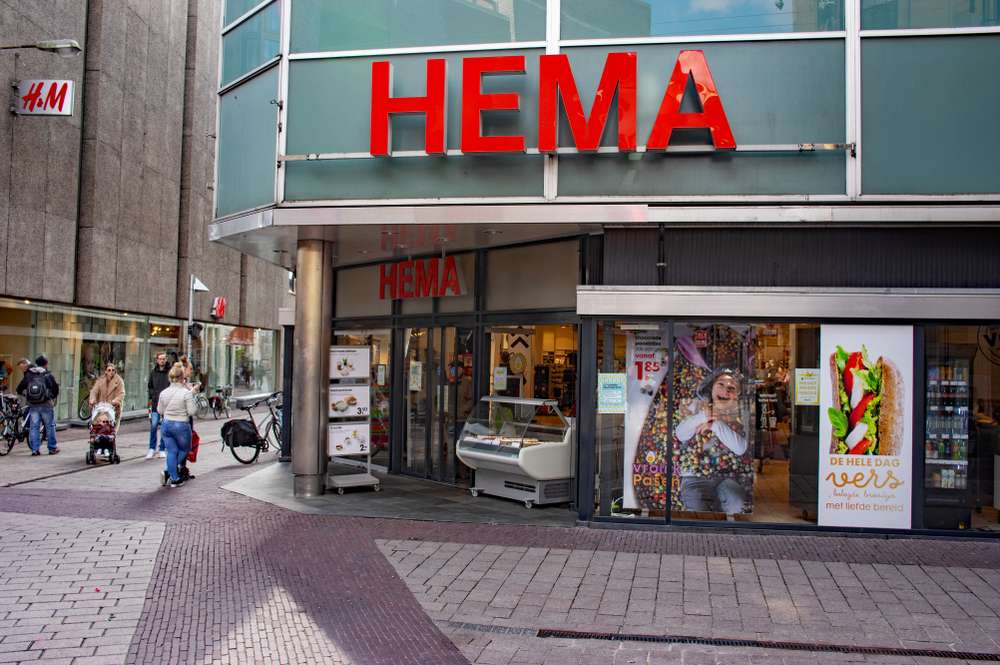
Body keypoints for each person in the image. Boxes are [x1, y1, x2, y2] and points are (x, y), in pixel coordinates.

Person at [674, 368, 750, 515]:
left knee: (737, 503)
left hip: (726, 476)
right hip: (694, 476)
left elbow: (740, 448)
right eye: (721, 384)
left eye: (731, 388)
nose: (725, 390)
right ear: (711, 387)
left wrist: (714, 424)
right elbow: (681, 434)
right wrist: (704, 415)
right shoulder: (694, 406)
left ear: (737, 395)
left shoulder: (741, 414)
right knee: (697, 509)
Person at [157, 363, 197, 488]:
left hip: (166, 425)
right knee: (184, 450)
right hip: (181, 425)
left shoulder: (163, 393)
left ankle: (174, 478)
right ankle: (169, 472)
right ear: (182, 378)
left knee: (171, 451)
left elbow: (160, 411)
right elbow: (192, 411)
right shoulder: (186, 393)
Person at [16, 355, 60, 456]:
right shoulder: (47, 374)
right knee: (50, 426)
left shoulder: (29, 374)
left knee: (34, 427)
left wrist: (26, 395)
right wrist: (50, 397)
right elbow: (55, 389)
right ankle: (52, 448)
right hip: (46, 404)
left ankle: (35, 449)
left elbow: (19, 388)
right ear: (46, 364)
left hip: (33, 405)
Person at [146, 353, 170, 459]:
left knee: (164, 426)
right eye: (160, 359)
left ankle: (162, 449)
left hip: (167, 403)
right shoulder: (153, 372)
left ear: (166, 359)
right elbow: (150, 386)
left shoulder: (170, 372)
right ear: (157, 360)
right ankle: (152, 448)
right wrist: (153, 395)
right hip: (156, 403)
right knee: (154, 425)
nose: (162, 361)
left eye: (163, 359)